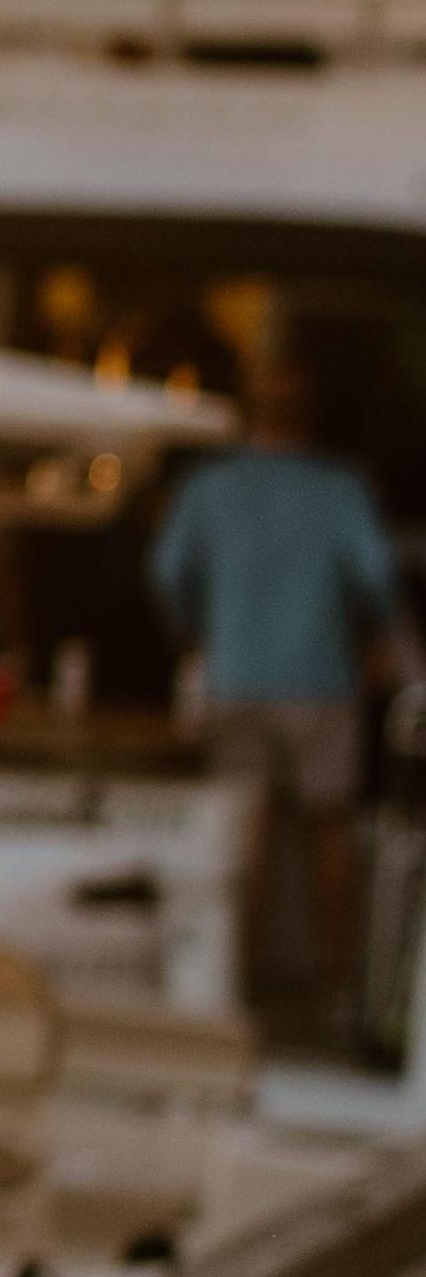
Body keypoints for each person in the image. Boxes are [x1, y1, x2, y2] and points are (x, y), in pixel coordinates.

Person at [148, 360, 408, 1035]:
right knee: (329, 833)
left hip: (236, 674)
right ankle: (337, 994)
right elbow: (376, 574)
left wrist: (200, 632)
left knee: (245, 835)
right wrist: (377, 635)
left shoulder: (209, 486)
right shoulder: (338, 488)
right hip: (320, 679)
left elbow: (168, 572)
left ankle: (237, 989)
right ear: (308, 417)